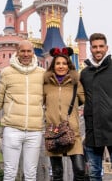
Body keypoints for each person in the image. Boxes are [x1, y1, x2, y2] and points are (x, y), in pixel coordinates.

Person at [0, 40, 45, 180]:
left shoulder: (42, 73)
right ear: (17, 52)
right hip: (12, 128)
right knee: (10, 172)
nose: (25, 54)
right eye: (22, 51)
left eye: (28, 51)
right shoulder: (6, 73)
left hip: (34, 130)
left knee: (31, 173)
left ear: (33, 52)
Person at [44, 47, 85, 181]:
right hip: (54, 133)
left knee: (79, 170)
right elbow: (37, 101)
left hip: (72, 131)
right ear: (53, 66)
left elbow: (86, 100)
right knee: (57, 173)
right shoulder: (47, 84)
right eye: (58, 63)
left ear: (69, 66)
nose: (61, 66)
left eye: (64, 63)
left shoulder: (76, 84)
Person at [80, 33, 112, 180]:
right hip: (92, 130)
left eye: (101, 46)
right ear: (90, 49)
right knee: (94, 173)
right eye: (94, 47)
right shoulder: (85, 73)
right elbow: (79, 97)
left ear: (107, 48)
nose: (98, 50)